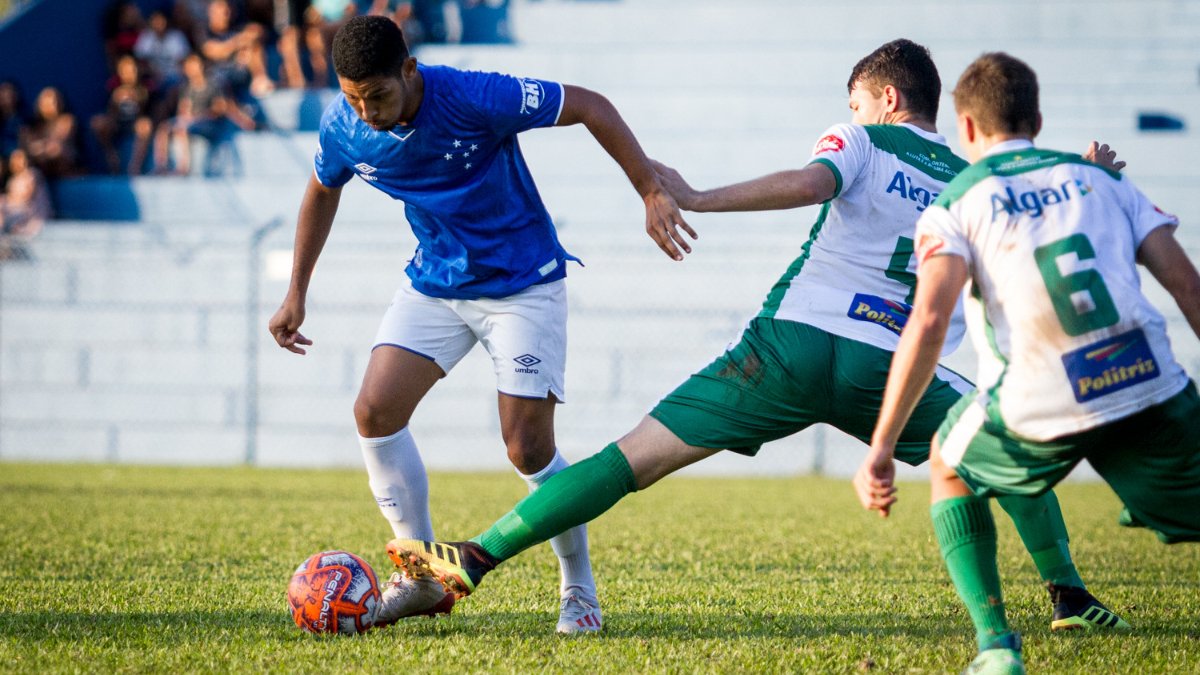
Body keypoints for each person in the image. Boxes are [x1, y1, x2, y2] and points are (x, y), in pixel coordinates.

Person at [383, 39, 1127, 635]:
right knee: (1008, 451)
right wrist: (1085, 170)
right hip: (894, 369)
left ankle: (474, 558)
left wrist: (697, 194)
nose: (853, 112)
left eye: (858, 101)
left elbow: (810, 185)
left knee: (630, 458)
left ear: (887, 99)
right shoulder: (969, 178)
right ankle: (1070, 596)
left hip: (789, 350)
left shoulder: (863, 140)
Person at [266, 15, 693, 633]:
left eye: (377, 95)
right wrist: (296, 293)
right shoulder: (344, 125)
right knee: (375, 411)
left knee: (527, 446)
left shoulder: (472, 95)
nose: (365, 111)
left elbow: (592, 107)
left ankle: (579, 589)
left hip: (523, 285)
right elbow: (320, 190)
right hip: (435, 284)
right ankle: (419, 578)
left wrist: (650, 188)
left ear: (409, 71)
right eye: (353, 96)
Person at [855, 52, 1200, 674]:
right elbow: (1188, 288)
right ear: (1037, 118)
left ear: (964, 128)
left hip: (1042, 391)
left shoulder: (958, 201)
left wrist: (880, 448)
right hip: (1148, 378)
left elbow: (929, 322)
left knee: (947, 463)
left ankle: (995, 648)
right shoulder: (1107, 182)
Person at [153, 54, 256, 175]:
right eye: (189, 66)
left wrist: (197, 118)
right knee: (164, 128)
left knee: (182, 130)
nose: (191, 68)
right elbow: (184, 108)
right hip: (192, 121)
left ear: (202, 65)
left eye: (194, 65)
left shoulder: (213, 84)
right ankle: (161, 166)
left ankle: (183, 168)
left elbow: (220, 108)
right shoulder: (186, 87)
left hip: (208, 122)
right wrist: (184, 118)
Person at [91, 55, 154, 175]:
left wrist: (138, 98)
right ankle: (112, 157)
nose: (130, 74)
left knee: (145, 125)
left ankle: (134, 167)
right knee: (97, 122)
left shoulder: (146, 90)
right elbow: (111, 113)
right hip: (119, 125)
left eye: (133, 70)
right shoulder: (116, 92)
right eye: (126, 71)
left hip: (135, 125)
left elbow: (148, 113)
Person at [0, 148, 52, 260]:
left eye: (19, 158)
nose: (16, 162)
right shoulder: (12, 178)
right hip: (14, 212)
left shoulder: (32, 175)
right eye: (14, 159)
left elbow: (27, 197)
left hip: (28, 213)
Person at [20, 86, 79, 179]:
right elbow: (27, 148)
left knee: (57, 150)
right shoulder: (31, 126)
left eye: (55, 100)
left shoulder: (67, 120)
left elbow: (56, 146)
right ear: (39, 104)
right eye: (47, 101)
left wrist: (39, 148)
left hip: (64, 167)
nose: (52, 104)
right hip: (39, 167)